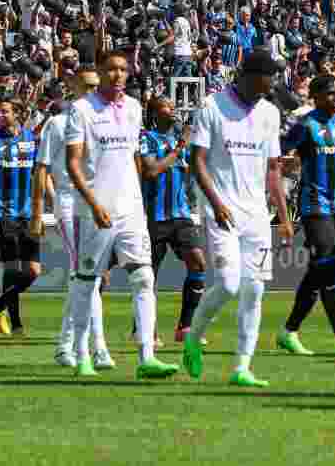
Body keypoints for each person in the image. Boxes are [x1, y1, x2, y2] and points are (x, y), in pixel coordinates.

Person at [64, 50, 179, 379]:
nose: (117, 75)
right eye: (111, 69)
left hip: (130, 211)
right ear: (100, 72)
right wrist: (93, 203)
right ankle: (83, 354)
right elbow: (73, 163)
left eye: (123, 70)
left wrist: (137, 201)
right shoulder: (82, 109)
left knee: (144, 277)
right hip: (96, 211)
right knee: (88, 283)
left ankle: (146, 357)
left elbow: (133, 159)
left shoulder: (133, 108)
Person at [182, 48, 293, 388]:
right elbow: (197, 160)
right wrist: (214, 202)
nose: (274, 82)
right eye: (269, 75)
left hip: (257, 215)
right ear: (250, 75)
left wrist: (283, 216)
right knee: (229, 284)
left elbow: (274, 168)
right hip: (222, 210)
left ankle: (242, 367)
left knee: (255, 290)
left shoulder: (270, 113)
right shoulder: (212, 106)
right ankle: (192, 337)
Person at [277, 74, 335, 358]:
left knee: (318, 270)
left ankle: (289, 331)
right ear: (315, 96)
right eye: (330, 93)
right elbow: (278, 150)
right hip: (315, 204)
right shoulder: (305, 124)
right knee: (326, 267)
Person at [37, 63, 113, 369]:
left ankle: (66, 345)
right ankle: (98, 348)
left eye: (97, 85)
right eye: (89, 86)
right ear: (75, 87)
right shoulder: (56, 123)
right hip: (69, 203)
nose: (94, 91)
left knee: (85, 278)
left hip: (96, 202)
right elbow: (41, 168)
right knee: (86, 277)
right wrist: (38, 211)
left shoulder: (104, 119)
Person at [140, 96, 208, 344]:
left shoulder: (181, 141)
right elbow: (150, 170)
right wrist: (180, 147)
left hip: (181, 215)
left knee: (198, 263)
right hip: (154, 218)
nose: (173, 110)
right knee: (149, 278)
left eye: (173, 106)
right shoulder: (145, 137)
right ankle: (147, 330)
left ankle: (185, 327)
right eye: (166, 107)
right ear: (154, 113)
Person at [0, 99, 40, 337]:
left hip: (28, 215)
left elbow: (40, 175)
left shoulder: (31, 140)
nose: (1, 115)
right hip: (4, 214)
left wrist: (46, 206)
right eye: (0, 111)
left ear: (18, 113)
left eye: (6, 112)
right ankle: (15, 324)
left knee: (33, 271)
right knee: (12, 269)